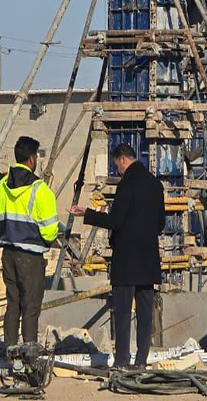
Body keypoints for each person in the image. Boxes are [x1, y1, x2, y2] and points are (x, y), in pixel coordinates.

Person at [70, 144, 165, 369]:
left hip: (126, 259)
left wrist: (88, 214)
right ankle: (141, 361)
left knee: (122, 313)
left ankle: (122, 361)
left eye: (116, 164)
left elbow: (115, 221)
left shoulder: (127, 184)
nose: (117, 168)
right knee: (144, 313)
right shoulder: (155, 184)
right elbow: (161, 223)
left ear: (122, 159)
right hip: (148, 260)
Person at [0, 136, 60, 346]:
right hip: (30, 257)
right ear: (31, 159)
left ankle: (9, 351)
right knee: (30, 308)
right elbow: (49, 232)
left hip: (8, 254)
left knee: (13, 304)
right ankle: (29, 354)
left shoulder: (1, 186)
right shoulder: (40, 190)